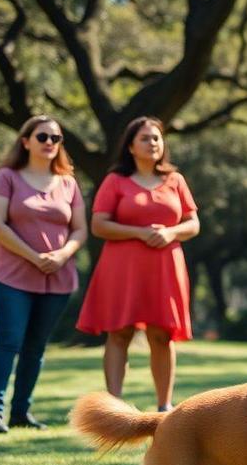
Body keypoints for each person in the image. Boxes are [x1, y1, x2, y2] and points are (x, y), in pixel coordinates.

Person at [77, 117, 200, 412]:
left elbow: (193, 223)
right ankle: (114, 407)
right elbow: (98, 224)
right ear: (130, 146)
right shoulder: (115, 181)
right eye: (145, 138)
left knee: (162, 334)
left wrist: (170, 232)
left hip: (165, 268)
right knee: (120, 332)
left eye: (157, 138)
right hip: (123, 268)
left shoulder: (176, 180)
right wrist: (140, 232)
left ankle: (164, 406)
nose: (153, 143)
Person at [0, 115, 87, 433]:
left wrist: (61, 255)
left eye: (55, 138)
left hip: (57, 277)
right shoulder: (6, 178)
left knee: (36, 347)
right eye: (42, 136)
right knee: (9, 342)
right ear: (25, 141)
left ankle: (20, 412)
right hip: (13, 276)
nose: (49, 143)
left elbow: (81, 230)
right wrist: (34, 256)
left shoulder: (69, 183)